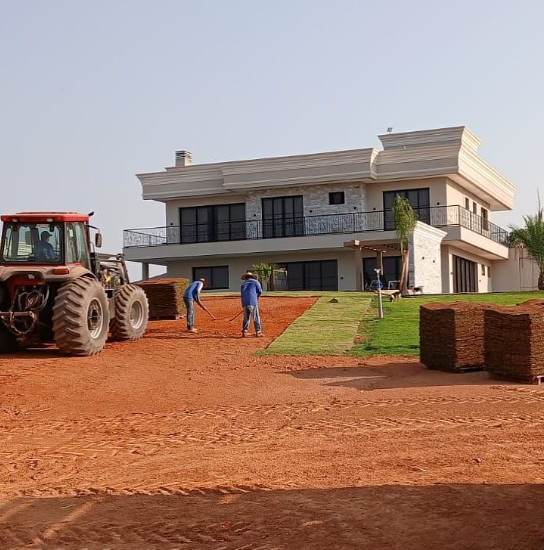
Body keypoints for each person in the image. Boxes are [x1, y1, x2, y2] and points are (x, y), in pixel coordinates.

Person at [240, 271, 263, 337]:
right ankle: (258, 332)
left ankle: (245, 331)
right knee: (256, 317)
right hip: (252, 302)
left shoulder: (243, 284)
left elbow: (242, 294)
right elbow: (260, 291)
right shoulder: (255, 282)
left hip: (244, 302)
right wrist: (256, 297)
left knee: (246, 318)